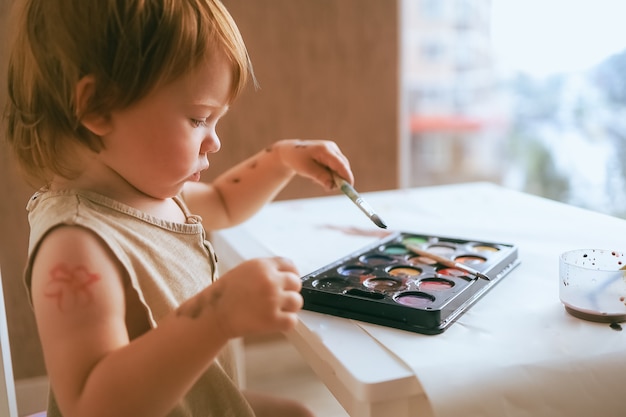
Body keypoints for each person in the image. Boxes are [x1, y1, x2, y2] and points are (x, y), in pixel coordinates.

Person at [3, 0, 355, 416]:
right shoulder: (75, 245)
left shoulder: (148, 192)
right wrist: (218, 315)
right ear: (97, 106)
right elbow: (90, 406)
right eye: (197, 119)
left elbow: (223, 202)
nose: (215, 141)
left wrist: (282, 159)